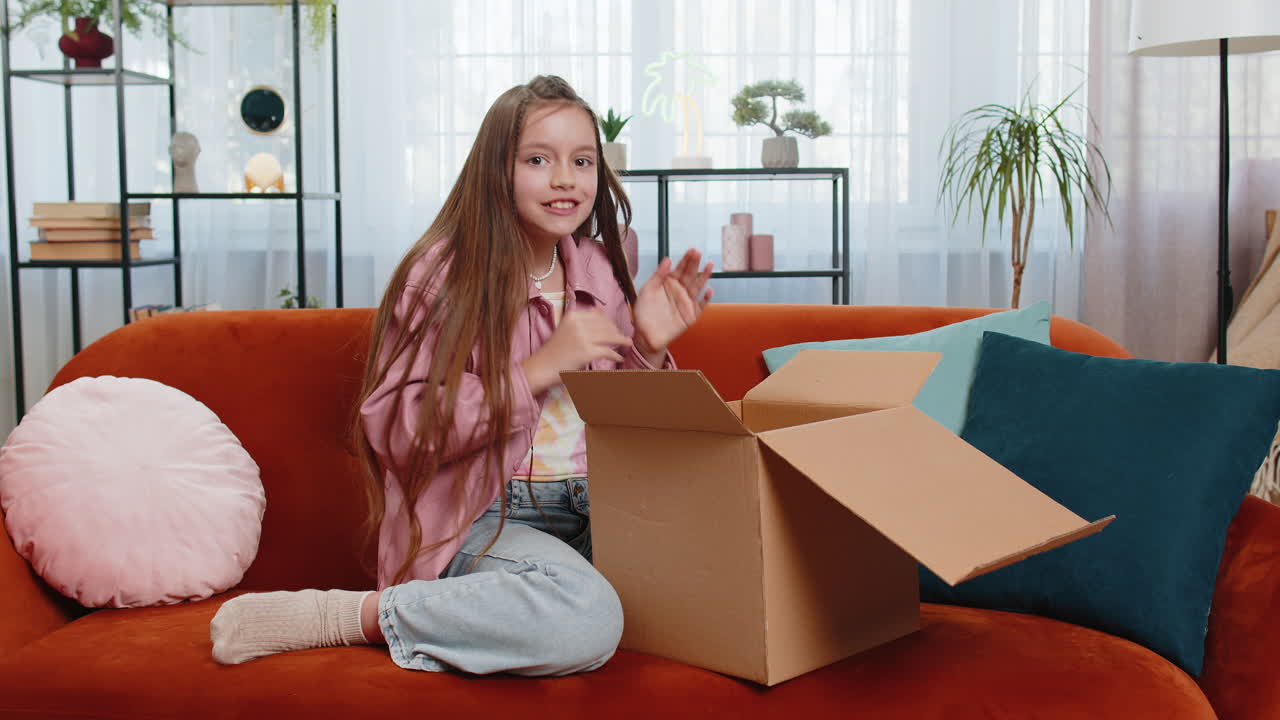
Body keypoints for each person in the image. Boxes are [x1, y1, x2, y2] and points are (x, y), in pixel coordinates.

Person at [209, 75, 713, 676]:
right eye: (537, 159)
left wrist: (650, 348)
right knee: (587, 615)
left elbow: (630, 432)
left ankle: (545, 599)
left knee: (720, 570)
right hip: (484, 516)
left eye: (582, 160)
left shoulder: (603, 268)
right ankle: (355, 616)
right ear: (496, 168)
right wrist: (536, 369)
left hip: (600, 508)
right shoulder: (442, 275)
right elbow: (401, 428)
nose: (564, 179)